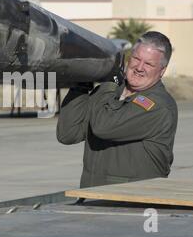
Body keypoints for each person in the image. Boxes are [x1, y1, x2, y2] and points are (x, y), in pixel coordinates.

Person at [57, 31, 178, 188]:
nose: (139, 68)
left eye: (149, 64)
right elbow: (68, 134)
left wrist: (109, 83)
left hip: (132, 203)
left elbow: (103, 127)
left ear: (162, 70)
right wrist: (80, 86)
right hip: (92, 197)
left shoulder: (157, 105)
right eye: (136, 59)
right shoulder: (109, 93)